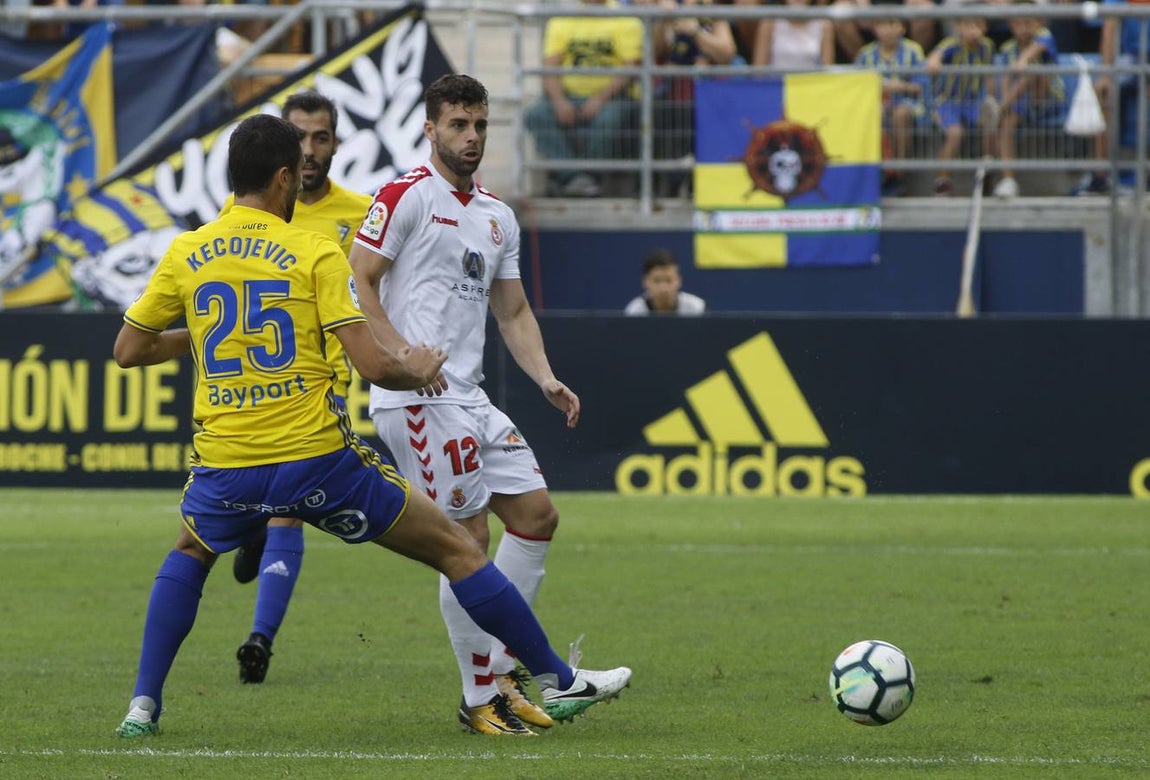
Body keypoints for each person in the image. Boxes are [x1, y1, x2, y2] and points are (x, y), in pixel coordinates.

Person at [112, 113, 632, 739]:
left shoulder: (187, 252)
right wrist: (416, 369)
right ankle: (556, 677)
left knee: (190, 554)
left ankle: (142, 707)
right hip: (317, 461)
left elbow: (129, 350)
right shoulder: (313, 251)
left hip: (228, 464)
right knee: (457, 549)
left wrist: (198, 334)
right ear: (283, 178)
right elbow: (373, 366)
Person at [348, 74, 595, 736]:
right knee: (466, 538)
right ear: (430, 128)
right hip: (417, 398)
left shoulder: (496, 216)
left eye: (480, 125)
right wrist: (402, 353)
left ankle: (503, 670)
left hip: (470, 396)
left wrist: (544, 377)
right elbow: (358, 279)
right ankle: (479, 696)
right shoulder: (404, 196)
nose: (472, 136)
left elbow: (511, 311)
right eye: (458, 124)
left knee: (537, 517)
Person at [218, 90, 373, 685]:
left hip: (321, 385)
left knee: (289, 511)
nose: (309, 150)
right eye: (299, 137)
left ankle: (260, 638)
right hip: (254, 386)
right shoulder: (245, 213)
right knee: (271, 503)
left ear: (335, 144)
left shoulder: (361, 215)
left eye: (321, 138)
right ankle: (253, 526)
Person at [523, 0, 644, 197]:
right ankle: (574, 177)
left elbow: (630, 68)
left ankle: (590, 177)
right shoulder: (561, 20)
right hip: (570, 96)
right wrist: (560, 101)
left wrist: (600, 98)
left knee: (609, 119)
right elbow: (550, 68)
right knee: (536, 115)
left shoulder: (625, 19)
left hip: (614, 97)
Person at [992, 0, 1065, 199]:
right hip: (1020, 101)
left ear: (1039, 23)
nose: (1023, 29)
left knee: (1033, 71)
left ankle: (999, 108)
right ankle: (1008, 180)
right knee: (1006, 124)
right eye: (1017, 23)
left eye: (1028, 23)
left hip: (1048, 100)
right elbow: (1006, 78)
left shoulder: (1045, 37)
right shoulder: (1007, 48)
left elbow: (1035, 50)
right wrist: (1007, 101)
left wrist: (1023, 59)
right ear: (1010, 24)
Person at [855, 14, 927, 197]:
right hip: (875, 106)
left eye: (893, 24)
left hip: (908, 104)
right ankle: (876, 176)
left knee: (900, 115)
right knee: (872, 115)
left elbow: (921, 86)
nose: (888, 30)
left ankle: (899, 176)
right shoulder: (865, 54)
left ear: (902, 28)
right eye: (883, 25)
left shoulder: (914, 50)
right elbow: (856, 87)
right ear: (875, 28)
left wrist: (897, 86)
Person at [926, 16, 997, 196]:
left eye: (978, 25)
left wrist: (990, 98)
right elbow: (934, 58)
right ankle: (942, 182)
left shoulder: (987, 46)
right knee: (955, 133)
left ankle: (985, 171)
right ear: (958, 27)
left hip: (973, 101)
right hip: (947, 102)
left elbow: (989, 77)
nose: (974, 31)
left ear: (985, 27)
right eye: (968, 26)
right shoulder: (951, 44)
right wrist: (934, 61)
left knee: (991, 121)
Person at [752, 0, 835, 70]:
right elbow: (758, 73)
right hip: (777, 83)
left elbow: (827, 72)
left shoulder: (824, 25)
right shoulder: (769, 23)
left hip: (810, 83)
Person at [623, 248, 706, 315]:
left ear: (679, 281)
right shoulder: (634, 311)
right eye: (656, 281)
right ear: (645, 282)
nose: (663, 288)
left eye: (669, 280)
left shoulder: (697, 309)